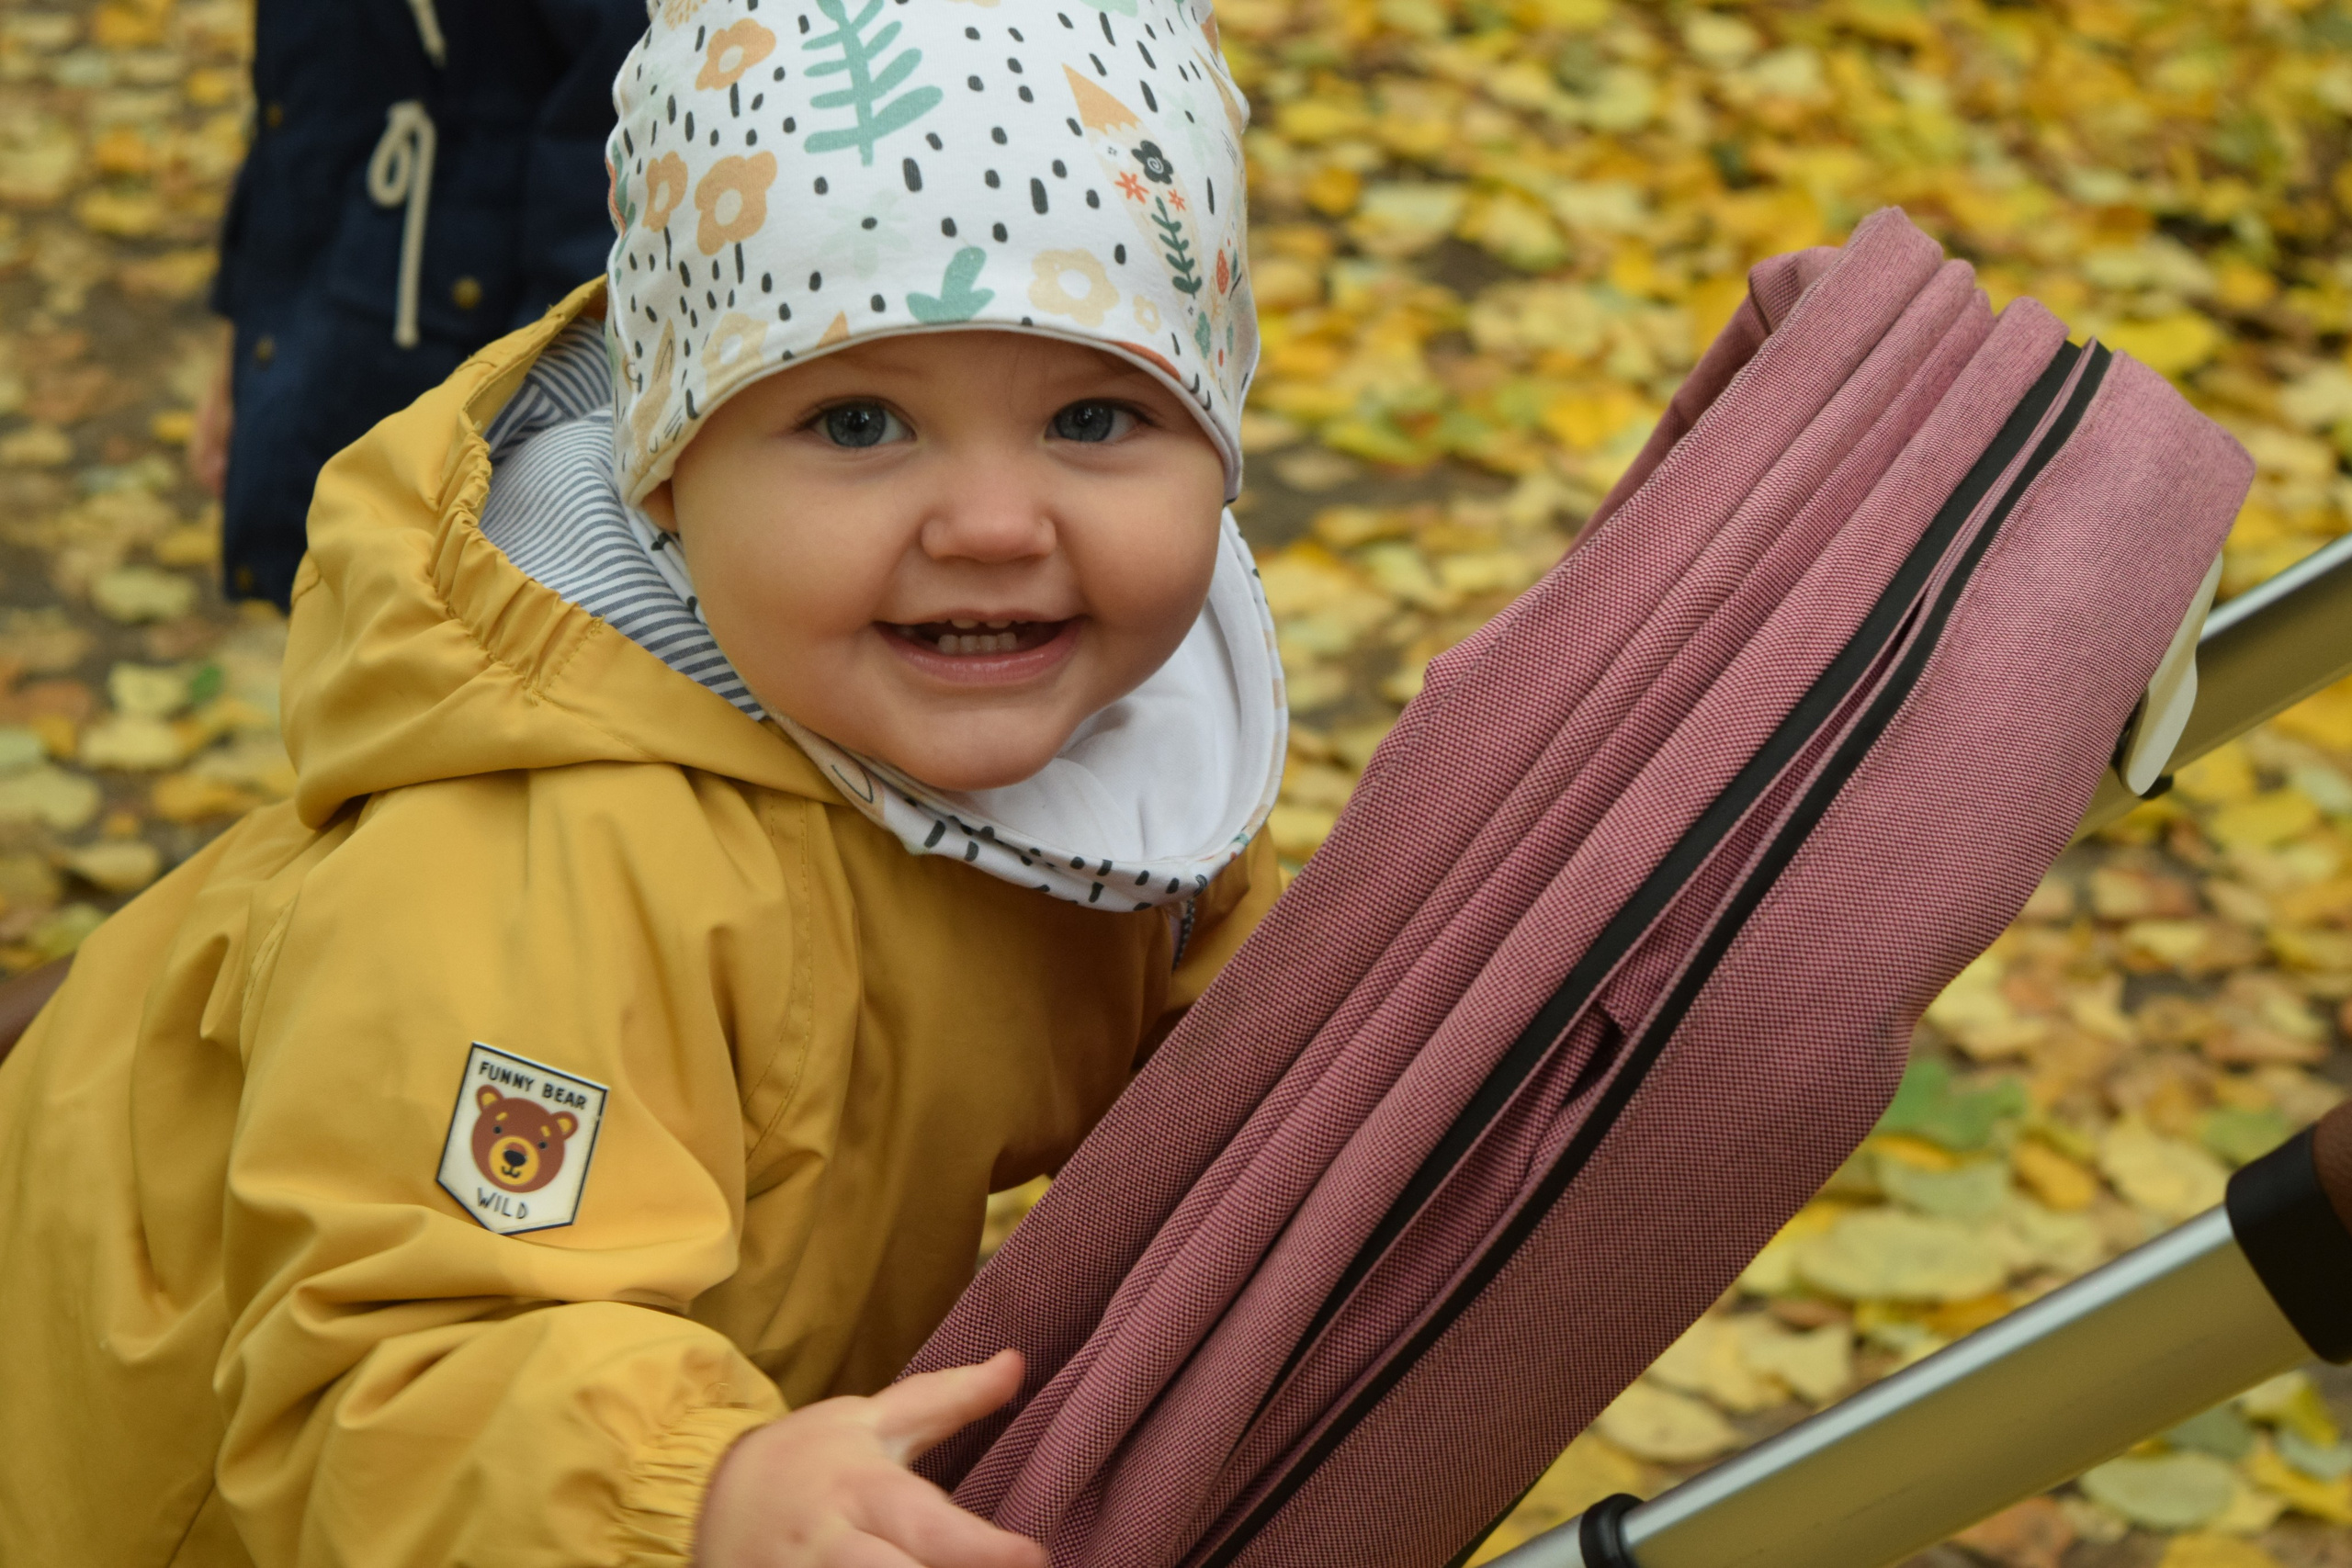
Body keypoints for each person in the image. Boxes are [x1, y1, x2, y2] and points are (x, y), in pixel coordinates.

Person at [0, 3, 1277, 1563]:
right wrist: (695, 1495)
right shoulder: (532, 862)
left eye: (1096, 416)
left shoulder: (1137, 779)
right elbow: (398, 1375)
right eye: (857, 421)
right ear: (667, 469)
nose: (995, 525)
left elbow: (1260, 1072)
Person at [189, 0, 650, 606]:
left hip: (477, 401)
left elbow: (612, 150)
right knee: (327, 604)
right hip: (329, 351)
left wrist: (531, 453)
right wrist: (250, 340)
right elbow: (298, 101)